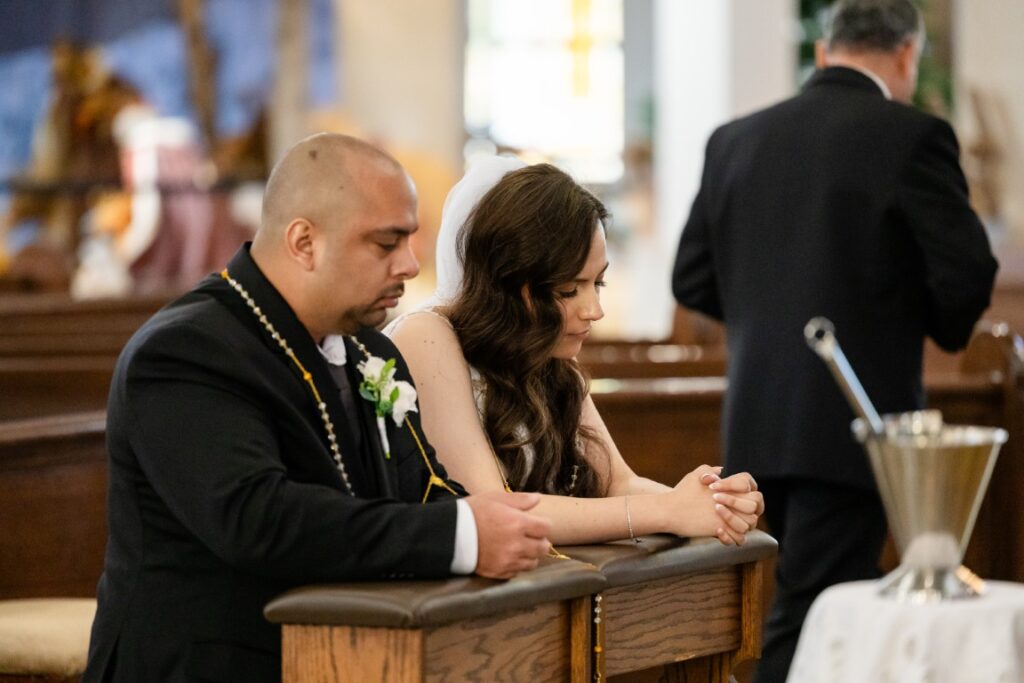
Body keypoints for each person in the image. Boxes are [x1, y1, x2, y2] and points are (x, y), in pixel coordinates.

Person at [83, 134, 553, 683]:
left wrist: (504, 525)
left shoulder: (370, 350)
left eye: (411, 239)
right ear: (304, 241)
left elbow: (420, 487)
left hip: (347, 657)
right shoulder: (185, 353)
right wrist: (461, 537)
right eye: (386, 243)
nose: (410, 262)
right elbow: (258, 519)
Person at [671, 1, 999, 681]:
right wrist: (925, 322)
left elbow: (691, 277)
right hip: (855, 420)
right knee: (817, 619)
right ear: (908, 55)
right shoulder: (912, 137)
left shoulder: (734, 139)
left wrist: (767, 320)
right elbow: (967, 272)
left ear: (824, 53)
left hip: (754, 425)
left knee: (764, 613)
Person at [385, 158, 764, 547]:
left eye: (598, 283)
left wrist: (714, 505)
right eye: (570, 290)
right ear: (510, 283)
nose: (594, 310)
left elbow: (619, 481)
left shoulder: (548, 354)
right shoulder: (427, 334)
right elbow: (495, 507)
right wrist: (668, 510)